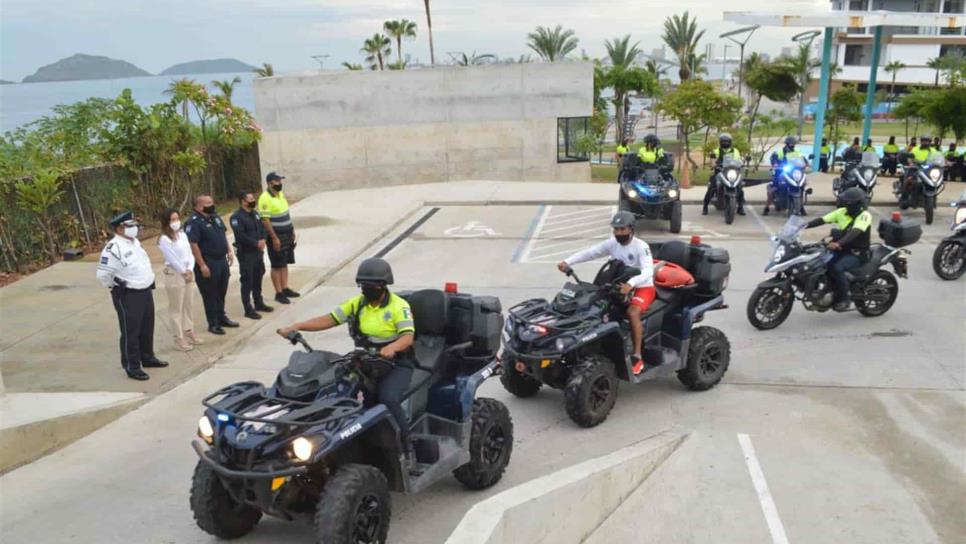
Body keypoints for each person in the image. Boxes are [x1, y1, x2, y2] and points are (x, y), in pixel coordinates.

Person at [276, 258, 416, 455]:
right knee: (339, 393)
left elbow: (408, 337)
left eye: (370, 285)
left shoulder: (398, 306)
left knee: (388, 398)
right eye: (363, 285)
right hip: (366, 360)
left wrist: (392, 348)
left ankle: (407, 442)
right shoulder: (357, 304)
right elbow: (329, 319)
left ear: (383, 285)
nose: (365, 289)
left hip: (396, 363)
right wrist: (296, 326)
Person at [557, 211, 655, 375]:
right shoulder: (612, 244)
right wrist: (568, 261)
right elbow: (591, 252)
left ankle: (637, 356)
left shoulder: (641, 247)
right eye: (616, 229)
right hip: (618, 287)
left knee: (632, 313)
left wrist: (631, 284)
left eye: (622, 229)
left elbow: (648, 271)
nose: (618, 233)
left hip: (642, 288)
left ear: (631, 229)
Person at [96, 211, 168, 381]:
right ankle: (132, 365)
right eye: (131, 226)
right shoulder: (113, 248)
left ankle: (147, 357)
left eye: (135, 225)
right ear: (120, 229)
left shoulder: (135, 243)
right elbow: (103, 275)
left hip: (145, 289)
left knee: (147, 326)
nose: (135, 229)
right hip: (128, 294)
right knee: (131, 331)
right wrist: (116, 287)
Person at [804, 188, 872, 312]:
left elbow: (855, 232)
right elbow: (822, 220)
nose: (845, 204)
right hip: (841, 249)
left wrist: (838, 243)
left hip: (857, 253)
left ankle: (844, 299)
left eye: (848, 202)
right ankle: (825, 291)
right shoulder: (842, 212)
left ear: (856, 203)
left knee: (837, 268)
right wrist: (801, 226)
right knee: (819, 263)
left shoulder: (864, 216)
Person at [186, 195, 237, 335]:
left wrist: (229, 251)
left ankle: (221, 317)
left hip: (221, 260)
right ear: (198, 206)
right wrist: (202, 265)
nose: (212, 204)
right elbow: (193, 244)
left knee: (221, 290)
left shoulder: (214, 217)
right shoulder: (193, 222)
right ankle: (213, 323)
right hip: (208, 261)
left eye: (212, 202)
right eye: (208, 203)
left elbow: (223, 234)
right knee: (210, 293)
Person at [158, 208, 202, 352]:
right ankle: (178, 337)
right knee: (176, 308)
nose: (176, 222)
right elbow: (172, 258)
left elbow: (190, 253)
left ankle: (189, 330)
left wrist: (190, 268)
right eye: (172, 220)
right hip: (175, 273)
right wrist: (183, 271)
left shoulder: (182, 235)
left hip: (188, 271)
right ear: (166, 222)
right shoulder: (164, 239)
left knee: (188, 304)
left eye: (177, 219)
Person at [230, 191, 274, 320]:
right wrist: (256, 243)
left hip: (258, 252)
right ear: (243, 201)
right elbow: (240, 235)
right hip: (246, 253)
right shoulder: (236, 217)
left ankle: (258, 303)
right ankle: (248, 309)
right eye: (250, 199)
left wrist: (263, 240)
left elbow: (262, 229)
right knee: (247, 280)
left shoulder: (255, 214)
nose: (253, 200)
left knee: (258, 276)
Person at [259, 172, 300, 304]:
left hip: (287, 233)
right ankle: (278, 292)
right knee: (277, 264)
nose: (280, 183)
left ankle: (285, 287)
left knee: (285, 261)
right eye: (277, 181)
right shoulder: (264, 198)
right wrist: (274, 238)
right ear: (270, 183)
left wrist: (292, 229)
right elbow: (266, 221)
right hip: (276, 235)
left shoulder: (280, 194)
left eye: (280, 181)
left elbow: (286, 213)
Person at [703, 133, 746, 216]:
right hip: (720, 172)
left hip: (732, 172)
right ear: (720, 142)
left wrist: (742, 163)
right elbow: (712, 161)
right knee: (712, 187)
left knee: (740, 187)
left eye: (727, 141)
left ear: (730, 142)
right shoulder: (716, 151)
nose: (725, 143)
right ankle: (705, 206)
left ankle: (741, 207)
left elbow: (739, 160)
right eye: (723, 142)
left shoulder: (735, 151)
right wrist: (713, 164)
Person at [765, 136, 808, 216]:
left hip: (795, 172)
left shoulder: (797, 151)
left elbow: (802, 159)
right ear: (787, 144)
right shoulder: (780, 151)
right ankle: (766, 207)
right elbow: (773, 158)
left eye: (793, 144)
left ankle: (801, 206)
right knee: (775, 187)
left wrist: (806, 163)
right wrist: (775, 163)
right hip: (782, 171)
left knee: (802, 186)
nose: (792, 145)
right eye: (791, 144)